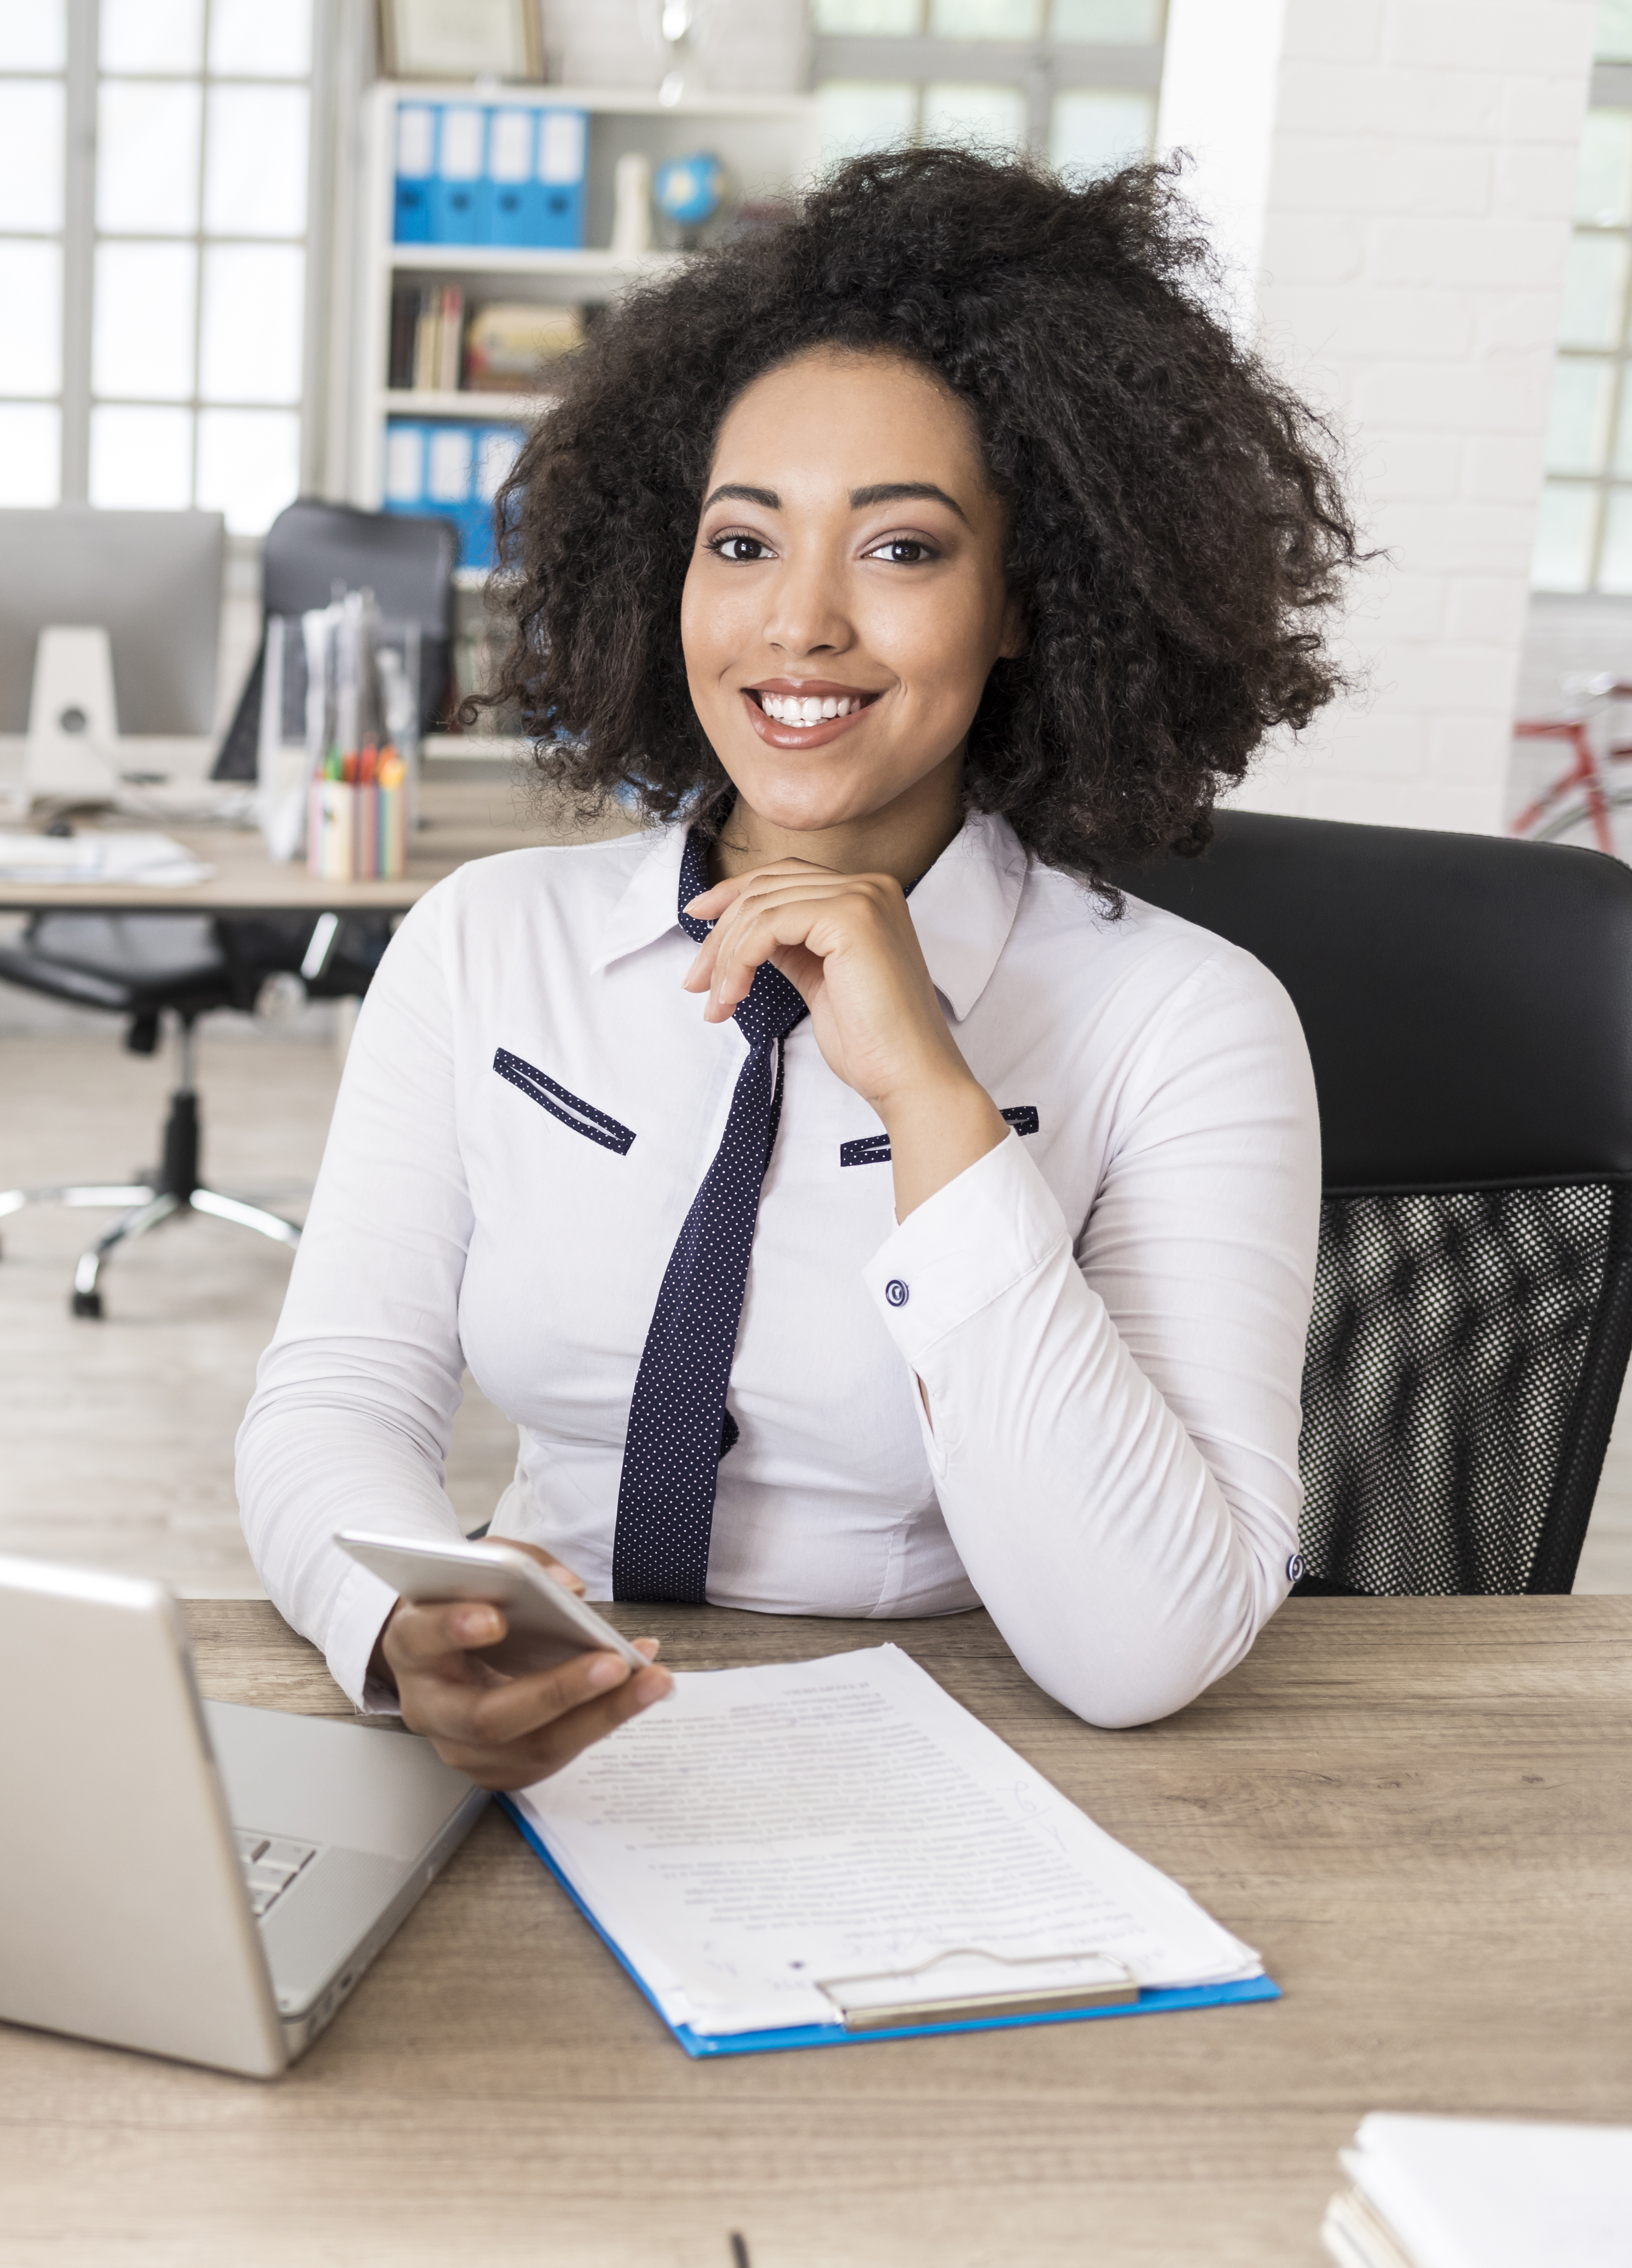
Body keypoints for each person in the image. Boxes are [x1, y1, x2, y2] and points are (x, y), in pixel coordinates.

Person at [235, 149, 1360, 1790]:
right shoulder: (488, 943)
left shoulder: (1186, 1024)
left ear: (1028, 599)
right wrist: (401, 1628)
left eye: (901, 550)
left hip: (968, 1774)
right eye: (743, 543)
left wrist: (934, 1100)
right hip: (550, 1756)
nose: (801, 626)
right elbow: (336, 1395)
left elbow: (1145, 1650)